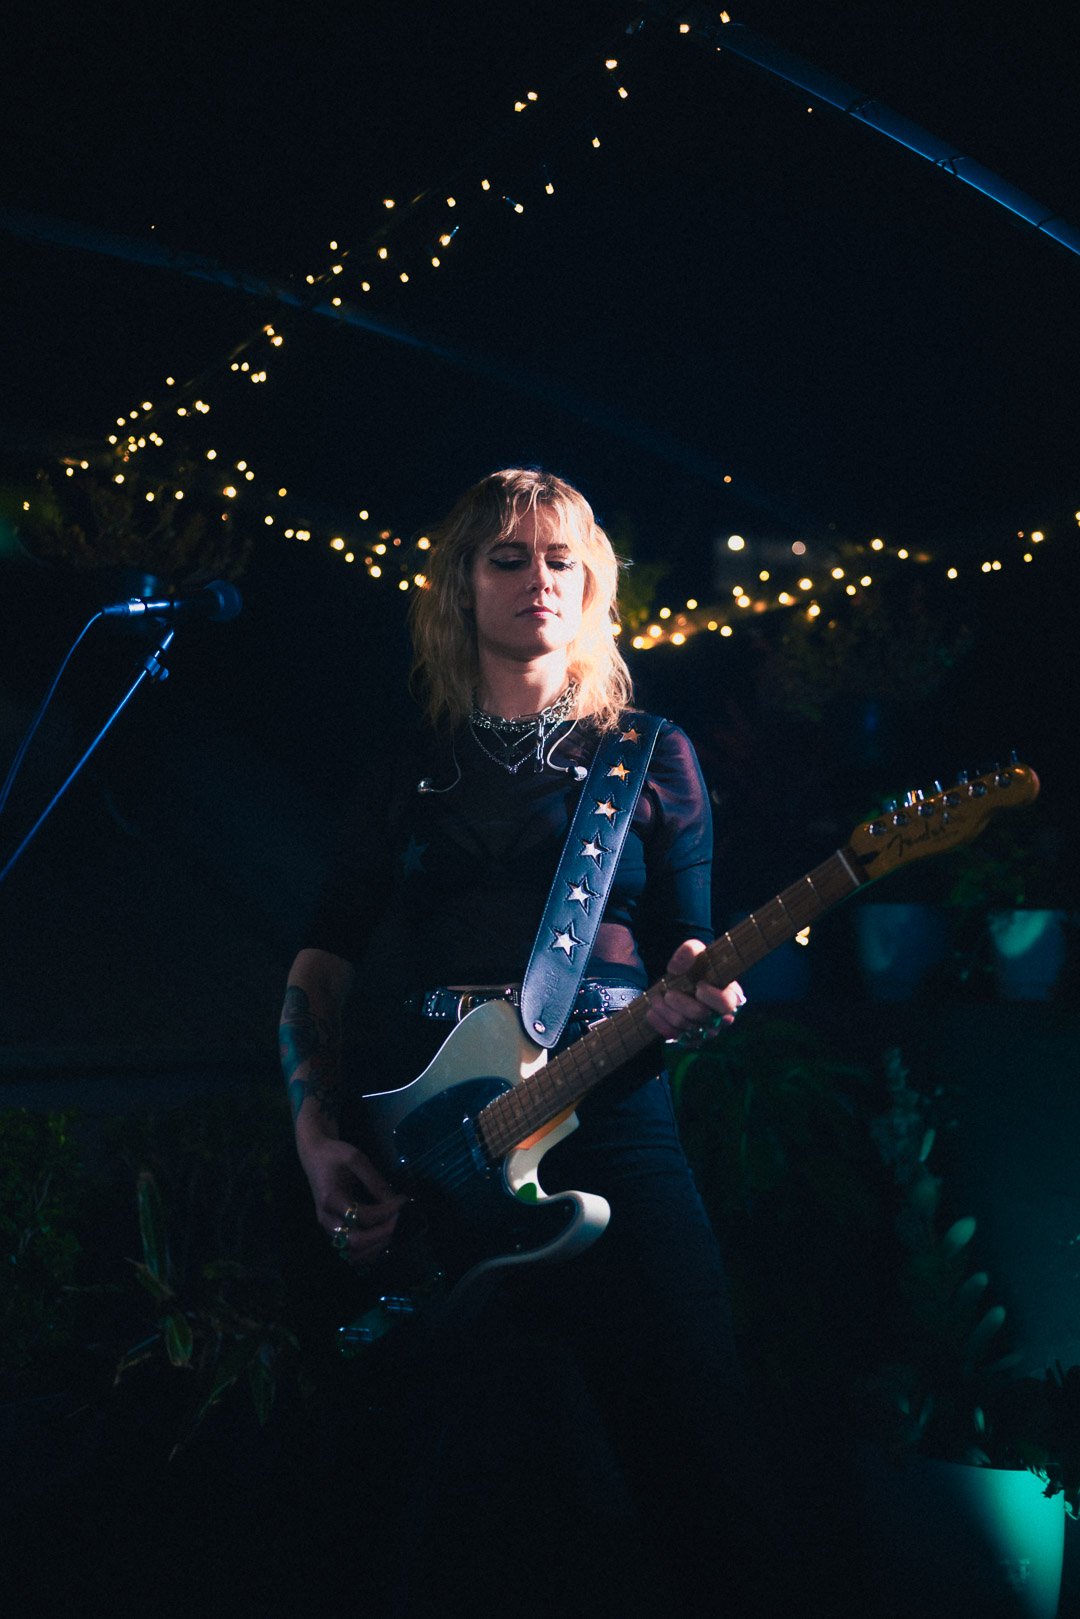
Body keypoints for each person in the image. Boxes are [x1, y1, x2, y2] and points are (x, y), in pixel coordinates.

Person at [279, 468, 777, 1614]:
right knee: (436, 1477)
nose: (537, 580)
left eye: (561, 560)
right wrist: (314, 1136)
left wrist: (698, 991)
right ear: (461, 584)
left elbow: (689, 937)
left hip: (613, 1109)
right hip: (433, 1137)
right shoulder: (410, 761)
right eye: (507, 557)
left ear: (594, 584)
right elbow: (320, 960)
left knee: (700, 1439)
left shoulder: (651, 752)